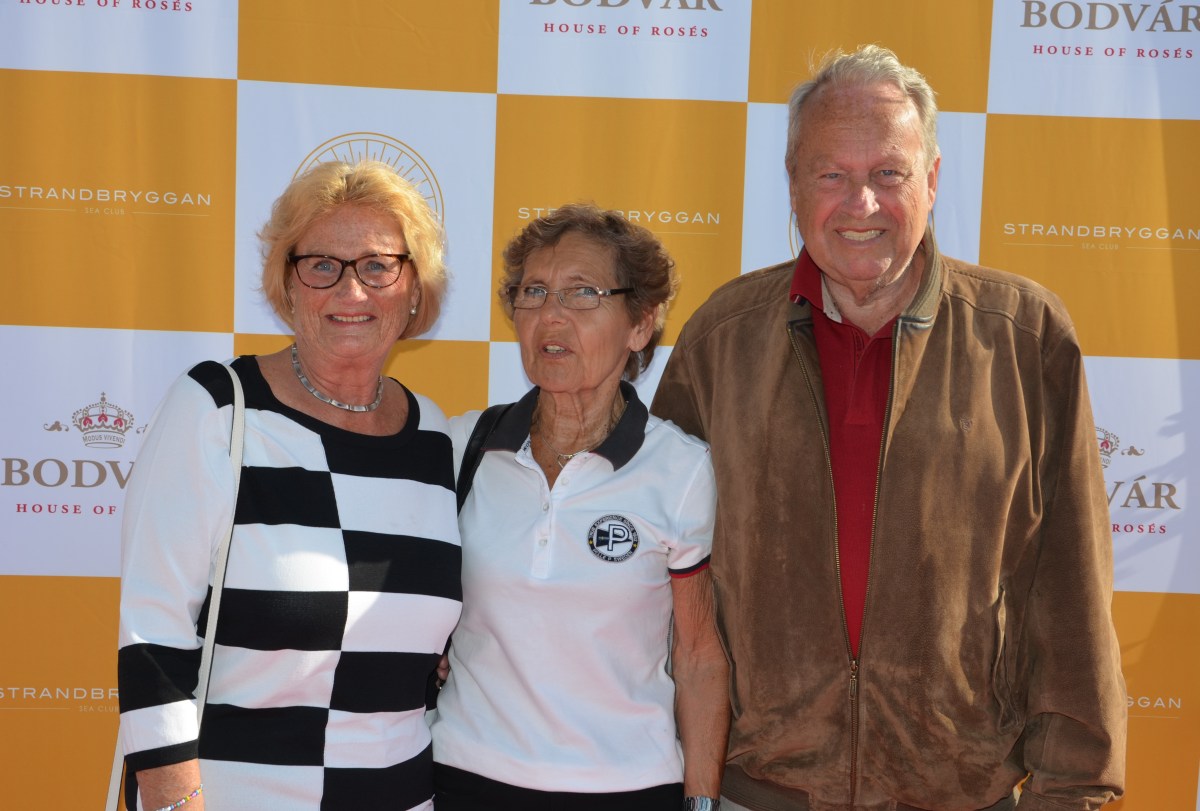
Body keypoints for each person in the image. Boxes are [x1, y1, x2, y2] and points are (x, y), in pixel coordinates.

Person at [651, 45, 1127, 811]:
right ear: (793, 183)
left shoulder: (1023, 335)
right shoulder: (721, 340)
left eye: (888, 173)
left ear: (932, 180)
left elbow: (1072, 590)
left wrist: (1072, 791)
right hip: (758, 791)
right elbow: (658, 582)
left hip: (961, 793)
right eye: (831, 175)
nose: (861, 203)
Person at [116, 159, 462, 811]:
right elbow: (152, 629)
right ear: (287, 283)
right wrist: (171, 800)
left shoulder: (436, 436)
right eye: (322, 264)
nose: (351, 290)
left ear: (415, 287)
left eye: (378, 265)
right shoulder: (219, 407)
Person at [430, 203, 730, 810]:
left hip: (626, 787)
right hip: (465, 777)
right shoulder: (462, 448)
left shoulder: (679, 469)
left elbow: (698, 655)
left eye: (582, 293)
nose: (551, 315)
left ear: (641, 324)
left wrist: (701, 803)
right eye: (534, 292)